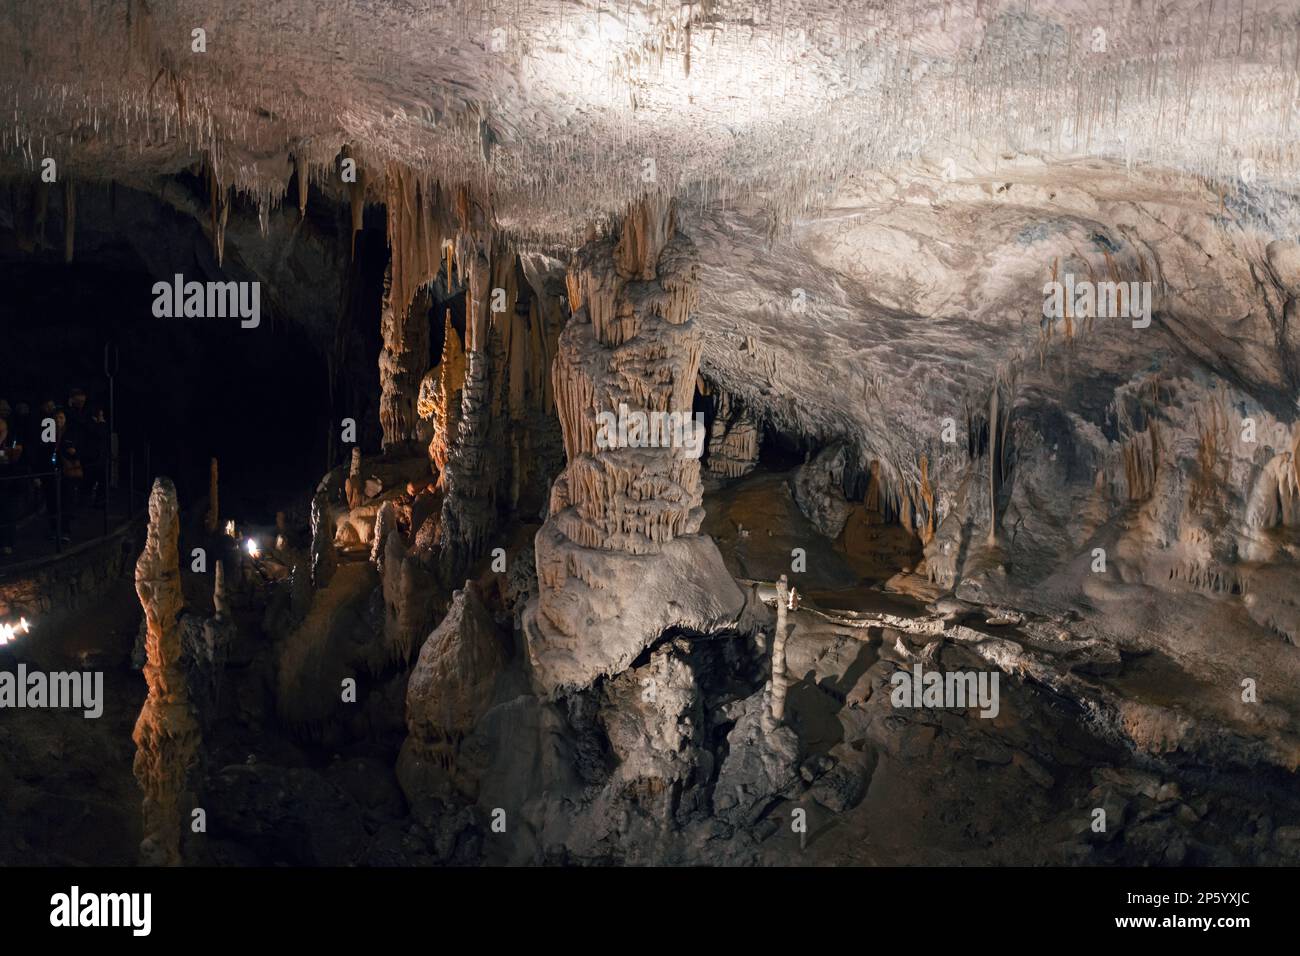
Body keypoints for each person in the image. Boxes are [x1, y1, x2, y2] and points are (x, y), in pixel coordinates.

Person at [0, 417, 24, 555]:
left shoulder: (12, 438)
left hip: (10, 480)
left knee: (8, 512)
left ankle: (8, 542)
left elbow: (17, 453)